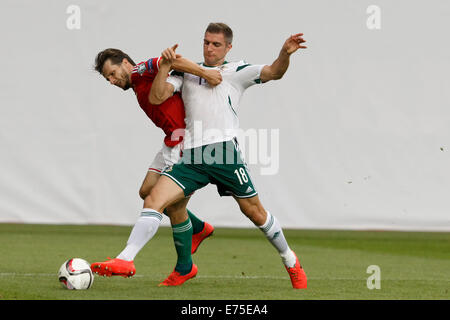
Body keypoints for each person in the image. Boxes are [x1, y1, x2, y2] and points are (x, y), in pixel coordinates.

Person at [145, 22, 308, 289]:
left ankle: (290, 260)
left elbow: (273, 72)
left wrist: (285, 54)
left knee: (253, 212)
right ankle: (182, 266)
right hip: (193, 155)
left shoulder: (237, 71)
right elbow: (157, 96)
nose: (210, 48)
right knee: (157, 199)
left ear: (228, 47)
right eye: (206, 42)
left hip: (223, 153)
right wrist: (163, 67)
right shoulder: (187, 72)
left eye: (216, 44)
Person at [90, 48, 222, 277]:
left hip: (184, 142)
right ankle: (198, 229)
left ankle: (131, 259)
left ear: (124, 63)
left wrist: (206, 73)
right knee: (147, 191)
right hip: (171, 141)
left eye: (112, 73)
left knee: (160, 202)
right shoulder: (138, 82)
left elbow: (174, 60)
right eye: (107, 79)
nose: (112, 81)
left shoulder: (141, 70)